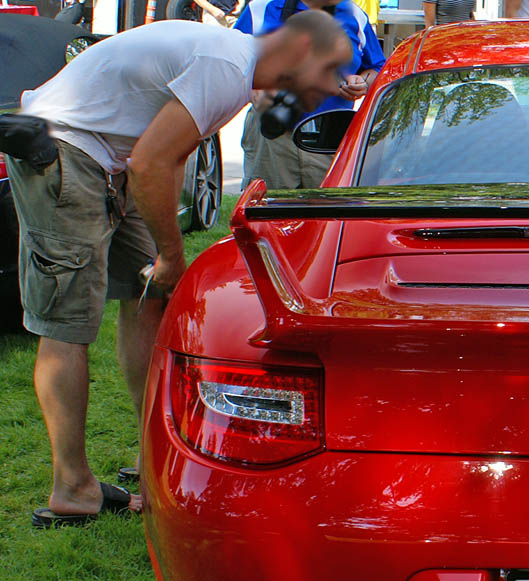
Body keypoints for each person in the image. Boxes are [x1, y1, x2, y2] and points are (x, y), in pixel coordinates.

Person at [3, 12, 351, 528]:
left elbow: (163, 153)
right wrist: (171, 253)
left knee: (150, 298)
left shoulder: (231, 69)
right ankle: (72, 488)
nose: (329, 87)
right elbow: (152, 162)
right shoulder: (225, 65)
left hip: (108, 162)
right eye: (329, 70)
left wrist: (161, 261)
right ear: (301, 47)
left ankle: (151, 462)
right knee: (67, 323)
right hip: (66, 153)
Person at [235, 0, 385, 189]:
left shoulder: (354, 14)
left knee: (330, 213)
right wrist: (255, 89)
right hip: (273, 136)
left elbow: (377, 67)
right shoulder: (261, 9)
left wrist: (361, 82)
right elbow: (233, 61)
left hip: (330, 138)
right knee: (268, 211)